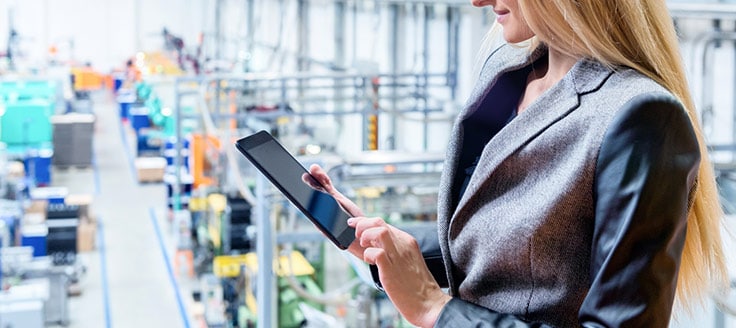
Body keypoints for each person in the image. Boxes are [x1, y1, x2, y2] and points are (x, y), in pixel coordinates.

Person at [306, 0, 728, 326]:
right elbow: (500, 246)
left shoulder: (639, 117)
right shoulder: (505, 76)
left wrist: (436, 310)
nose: (477, 1)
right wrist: (382, 243)